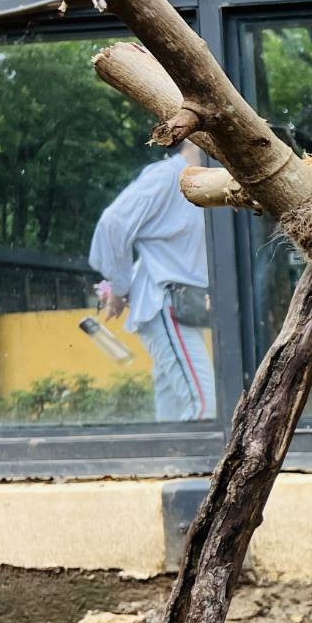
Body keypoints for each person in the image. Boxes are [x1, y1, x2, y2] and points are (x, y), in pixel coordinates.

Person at [88, 140, 216, 422]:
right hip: (167, 304)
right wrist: (119, 288)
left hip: (180, 306)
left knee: (171, 412)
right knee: (206, 407)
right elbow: (114, 223)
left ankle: (171, 463)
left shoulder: (210, 180)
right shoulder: (168, 175)